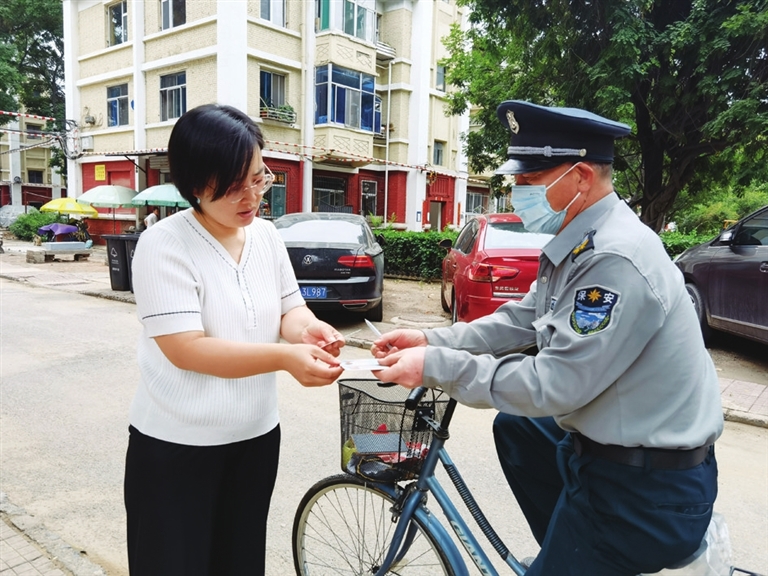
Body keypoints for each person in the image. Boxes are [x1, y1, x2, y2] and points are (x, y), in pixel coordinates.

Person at [372, 101, 723, 576]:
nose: (517, 193)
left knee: (533, 422)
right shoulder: (581, 241)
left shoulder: (613, 258)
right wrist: (430, 340)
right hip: (622, 458)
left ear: (581, 177)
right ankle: (564, 545)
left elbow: (555, 383)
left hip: (646, 491)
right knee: (517, 427)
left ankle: (574, 555)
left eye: (529, 180)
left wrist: (435, 367)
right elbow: (520, 319)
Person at [124, 103, 345, 576]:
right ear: (194, 185)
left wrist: (308, 330)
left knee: (239, 562)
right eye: (232, 186)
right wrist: (285, 359)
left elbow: (289, 308)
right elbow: (186, 348)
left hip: (255, 438)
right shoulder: (164, 244)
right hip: (177, 447)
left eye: (258, 179)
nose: (251, 197)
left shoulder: (266, 236)